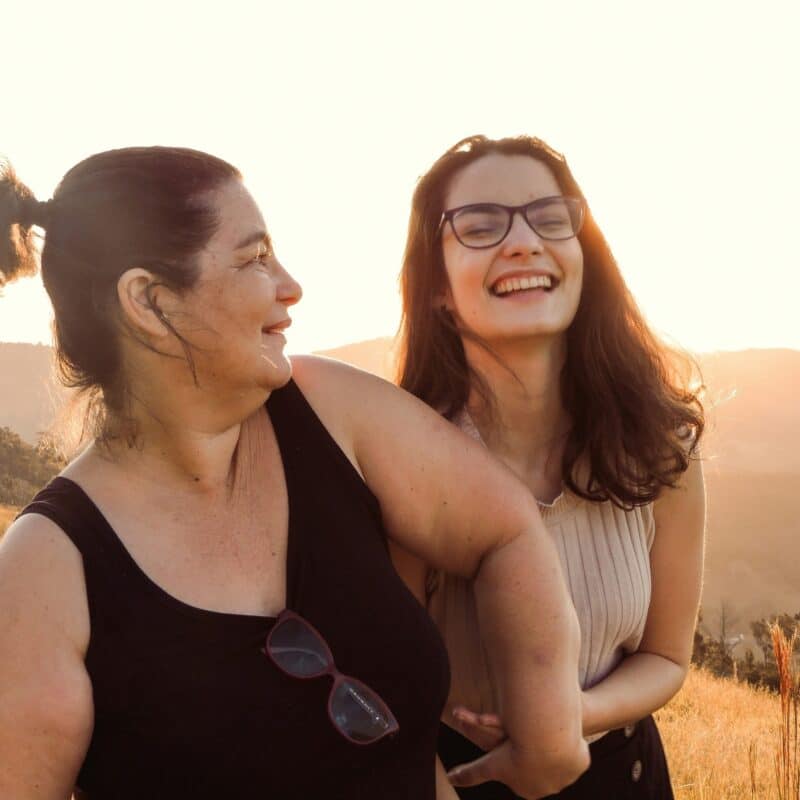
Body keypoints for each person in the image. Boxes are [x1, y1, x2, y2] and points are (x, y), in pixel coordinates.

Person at [0, 147, 589, 800]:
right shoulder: (44, 569)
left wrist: (549, 731)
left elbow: (505, 529)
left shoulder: (329, 409)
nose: (290, 284)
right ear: (150, 301)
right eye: (254, 259)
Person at [394, 135, 706, 799]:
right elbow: (385, 688)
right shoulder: (403, 461)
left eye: (550, 217)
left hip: (626, 777)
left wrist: (566, 719)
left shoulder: (660, 445)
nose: (523, 241)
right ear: (438, 291)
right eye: (480, 225)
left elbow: (665, 657)